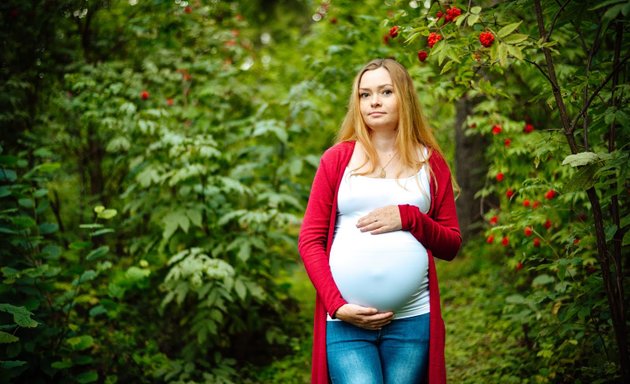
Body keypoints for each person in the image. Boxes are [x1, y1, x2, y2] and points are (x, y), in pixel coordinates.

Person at [298, 58, 462, 384]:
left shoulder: (431, 162)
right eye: (364, 94)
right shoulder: (337, 160)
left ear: (405, 97)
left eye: (386, 92)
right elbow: (310, 240)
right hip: (345, 323)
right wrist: (336, 305)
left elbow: (451, 244)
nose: (374, 101)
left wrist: (410, 217)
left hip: (413, 319)